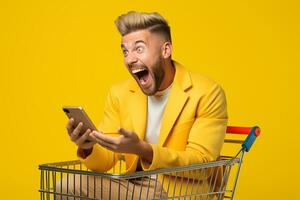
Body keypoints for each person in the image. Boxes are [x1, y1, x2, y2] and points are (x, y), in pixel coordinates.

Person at [57, 11, 228, 200]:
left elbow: (202, 165)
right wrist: (89, 146)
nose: (129, 59)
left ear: (165, 51)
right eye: (125, 51)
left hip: (178, 191)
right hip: (135, 184)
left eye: (139, 49)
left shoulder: (207, 92)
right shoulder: (119, 93)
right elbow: (105, 161)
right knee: (65, 186)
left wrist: (142, 149)